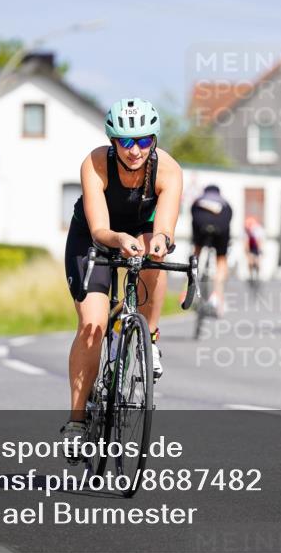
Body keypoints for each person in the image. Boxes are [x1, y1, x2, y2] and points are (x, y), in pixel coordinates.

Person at [60, 98, 182, 447]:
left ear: (154, 140)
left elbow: (164, 228)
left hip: (141, 232)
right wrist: (119, 239)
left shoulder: (168, 170)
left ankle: (150, 337)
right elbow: (100, 230)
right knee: (93, 324)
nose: (135, 150)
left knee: (154, 253)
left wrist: (159, 242)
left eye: (143, 140)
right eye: (126, 142)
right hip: (94, 238)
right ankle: (77, 420)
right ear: (113, 142)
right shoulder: (96, 163)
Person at [190, 184, 232, 316]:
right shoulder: (225, 203)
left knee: (196, 251)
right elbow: (229, 219)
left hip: (200, 227)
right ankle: (219, 298)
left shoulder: (198, 201)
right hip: (221, 228)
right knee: (221, 259)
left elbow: (193, 218)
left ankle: (189, 283)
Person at [244, 215, 264, 284]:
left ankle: (257, 274)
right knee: (250, 262)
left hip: (256, 248)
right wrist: (246, 250)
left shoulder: (257, 230)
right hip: (251, 248)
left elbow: (259, 241)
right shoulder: (246, 231)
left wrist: (260, 249)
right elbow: (245, 241)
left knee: (257, 262)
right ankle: (251, 275)